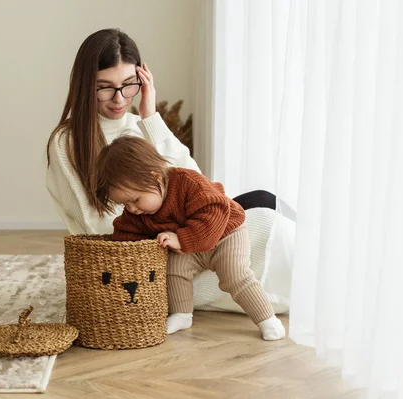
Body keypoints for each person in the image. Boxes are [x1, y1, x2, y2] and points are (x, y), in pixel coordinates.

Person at [46, 28, 293, 315]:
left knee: (262, 199)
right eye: (104, 87)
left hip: (175, 233)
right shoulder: (68, 142)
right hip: (142, 253)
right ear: (84, 85)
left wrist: (150, 118)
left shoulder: (138, 125)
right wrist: (179, 234)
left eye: (129, 85)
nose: (119, 98)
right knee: (264, 221)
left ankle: (326, 270)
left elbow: (196, 185)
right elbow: (97, 228)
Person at [95, 136, 285, 340]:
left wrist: (181, 239)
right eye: (125, 205)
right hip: (190, 247)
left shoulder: (188, 182)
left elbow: (214, 211)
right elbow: (126, 234)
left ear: (156, 177)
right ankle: (182, 313)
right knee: (174, 270)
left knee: (235, 274)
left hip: (225, 233)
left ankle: (267, 318)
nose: (132, 209)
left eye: (135, 200)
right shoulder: (137, 213)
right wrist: (120, 252)